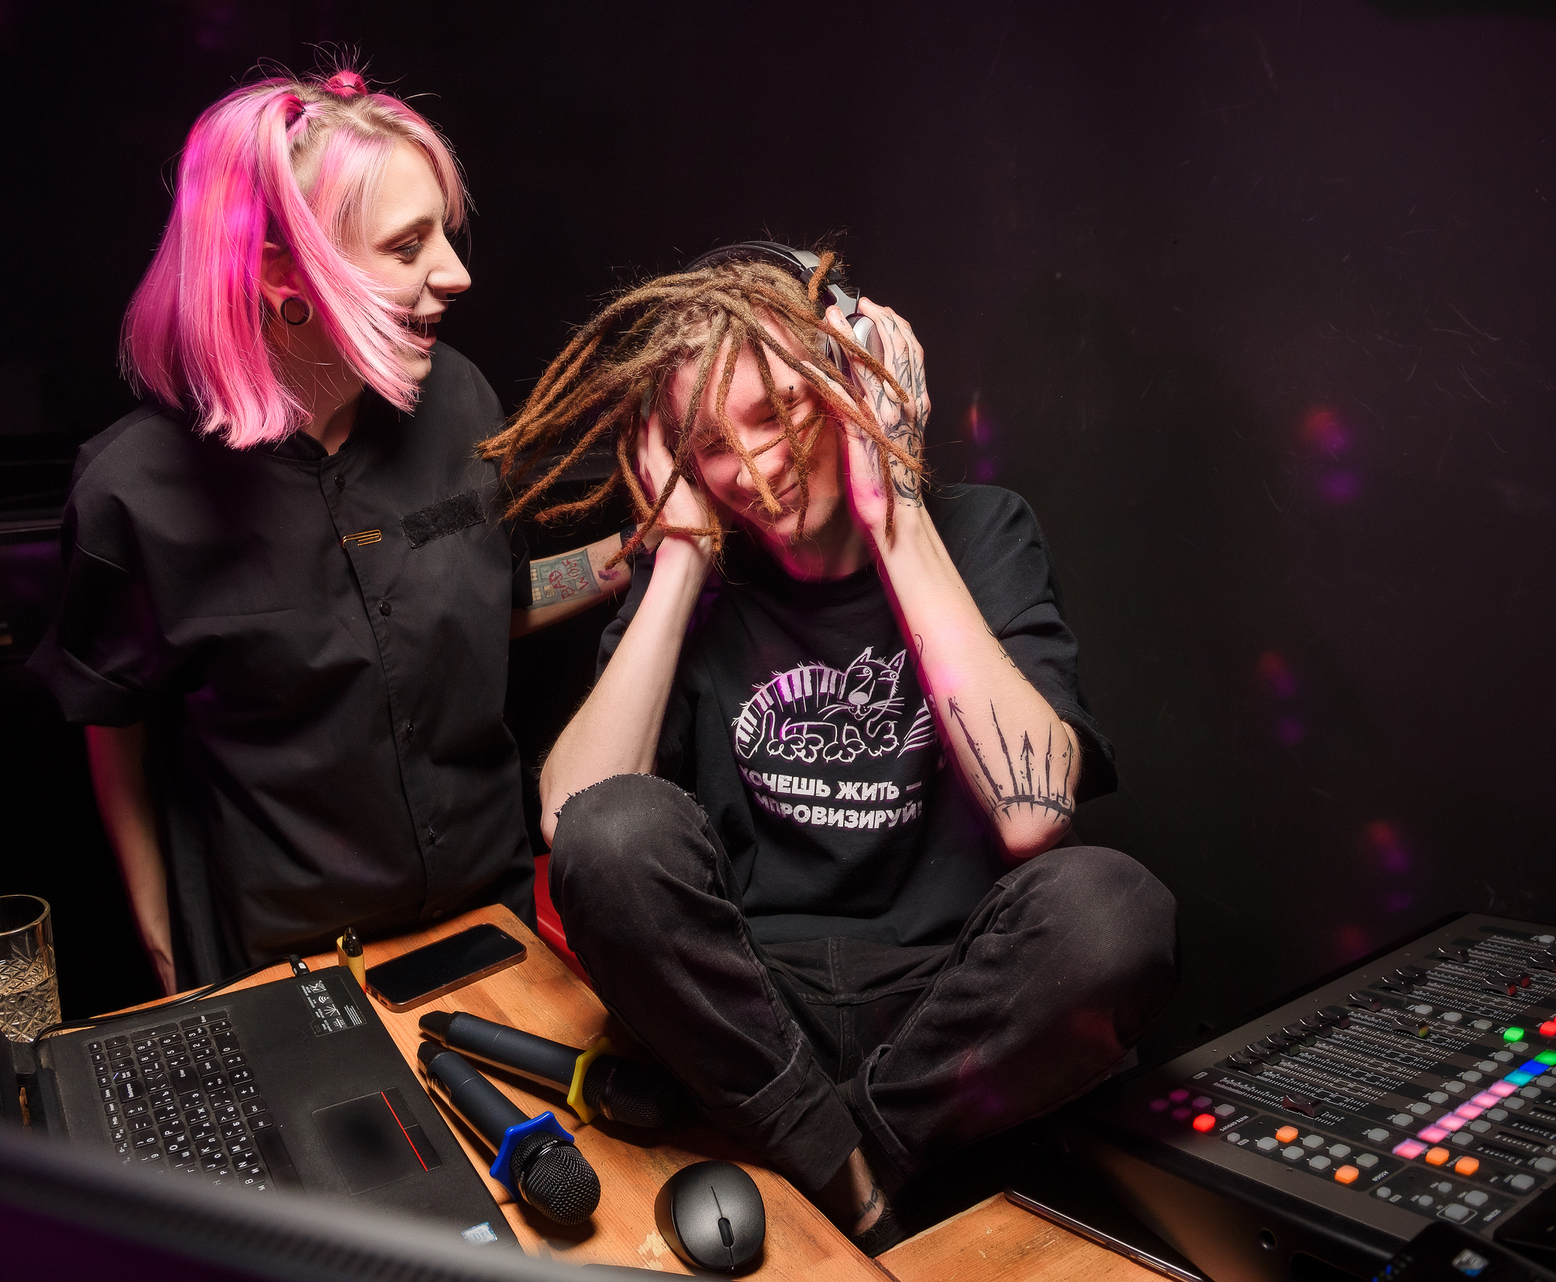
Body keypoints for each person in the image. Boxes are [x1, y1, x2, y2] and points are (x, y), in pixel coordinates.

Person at [479, 250, 1178, 1252]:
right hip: (753, 1013)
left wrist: (896, 513)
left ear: (854, 384)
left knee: (1115, 911)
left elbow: (1035, 814)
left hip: (951, 1014)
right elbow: (576, 823)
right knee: (614, 832)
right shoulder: (705, 577)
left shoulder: (983, 531)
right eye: (712, 444)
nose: (758, 468)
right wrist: (678, 557)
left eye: (778, 414)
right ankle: (855, 1179)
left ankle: (839, 1161)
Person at [29, 66, 636, 993]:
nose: (456, 273)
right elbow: (117, 727)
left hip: (490, 925)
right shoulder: (135, 492)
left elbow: (502, 601)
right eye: (407, 246)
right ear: (281, 272)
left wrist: (654, 548)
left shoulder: (460, 400)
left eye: (445, 234)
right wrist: (162, 950)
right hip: (290, 963)